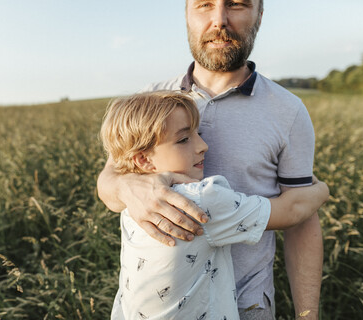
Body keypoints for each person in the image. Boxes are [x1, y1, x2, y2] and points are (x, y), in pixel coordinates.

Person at [97, 0, 324, 319]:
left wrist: (308, 315)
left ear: (259, 14)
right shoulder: (152, 102)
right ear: (187, 14)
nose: (219, 20)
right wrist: (127, 188)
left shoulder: (288, 110)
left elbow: (301, 220)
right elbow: (109, 181)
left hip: (247, 305)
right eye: (204, 5)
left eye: (237, 5)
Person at [100, 91, 329, 320]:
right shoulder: (201, 199)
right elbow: (291, 211)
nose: (203, 145)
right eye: (183, 139)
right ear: (143, 159)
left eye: (197, 133)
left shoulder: (133, 201)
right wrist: (322, 189)